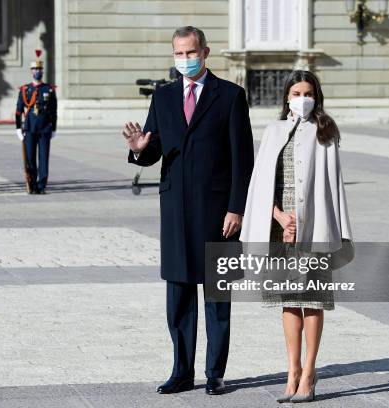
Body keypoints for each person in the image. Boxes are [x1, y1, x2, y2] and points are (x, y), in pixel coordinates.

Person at [122, 26, 254, 395]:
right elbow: (152, 150)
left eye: (190, 52)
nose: (185, 60)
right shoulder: (163, 98)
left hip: (218, 212)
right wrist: (138, 148)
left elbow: (243, 160)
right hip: (176, 209)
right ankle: (182, 371)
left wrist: (236, 208)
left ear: (205, 52)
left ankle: (215, 373)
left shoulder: (230, 96)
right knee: (179, 294)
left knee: (217, 294)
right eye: (178, 54)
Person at [239, 70, 353, 403]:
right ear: (286, 97)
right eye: (296, 92)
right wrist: (279, 216)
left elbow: (333, 188)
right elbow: (261, 184)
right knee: (288, 300)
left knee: (312, 300)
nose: (302, 98)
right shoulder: (273, 131)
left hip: (314, 226)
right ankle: (292, 370)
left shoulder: (325, 132)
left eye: (307, 92)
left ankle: (310, 372)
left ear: (316, 96)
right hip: (279, 226)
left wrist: (311, 223)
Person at [15, 49, 58, 194]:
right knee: (30, 159)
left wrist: (54, 128)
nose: (37, 72)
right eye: (34, 69)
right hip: (29, 128)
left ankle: (42, 185)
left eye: (39, 69)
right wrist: (18, 129)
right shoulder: (25, 89)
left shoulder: (49, 89)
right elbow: (18, 111)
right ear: (31, 72)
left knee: (43, 159)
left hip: (45, 128)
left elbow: (53, 111)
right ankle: (31, 183)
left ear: (42, 71)